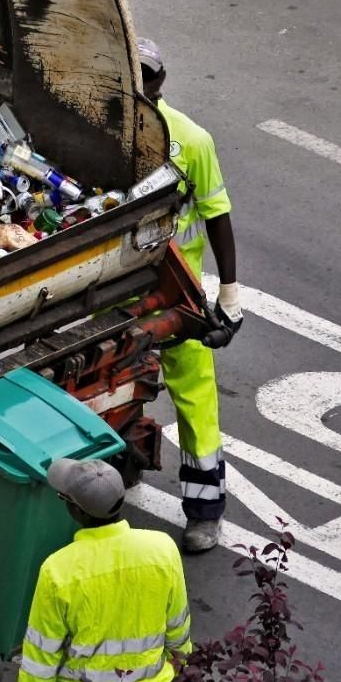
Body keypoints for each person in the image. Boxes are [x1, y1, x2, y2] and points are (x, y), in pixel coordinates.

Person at [137, 37, 242, 554]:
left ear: (161, 80)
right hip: (116, 287)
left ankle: (205, 512)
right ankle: (117, 467)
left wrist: (230, 294)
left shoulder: (191, 140)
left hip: (176, 291)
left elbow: (217, 215)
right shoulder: (98, 127)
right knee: (114, 382)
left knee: (195, 398)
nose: (139, 83)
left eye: (147, 74)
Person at [13, 458, 193, 682]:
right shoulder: (163, 549)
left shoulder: (58, 571)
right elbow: (178, 626)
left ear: (76, 510)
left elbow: (42, 657)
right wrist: (179, 666)